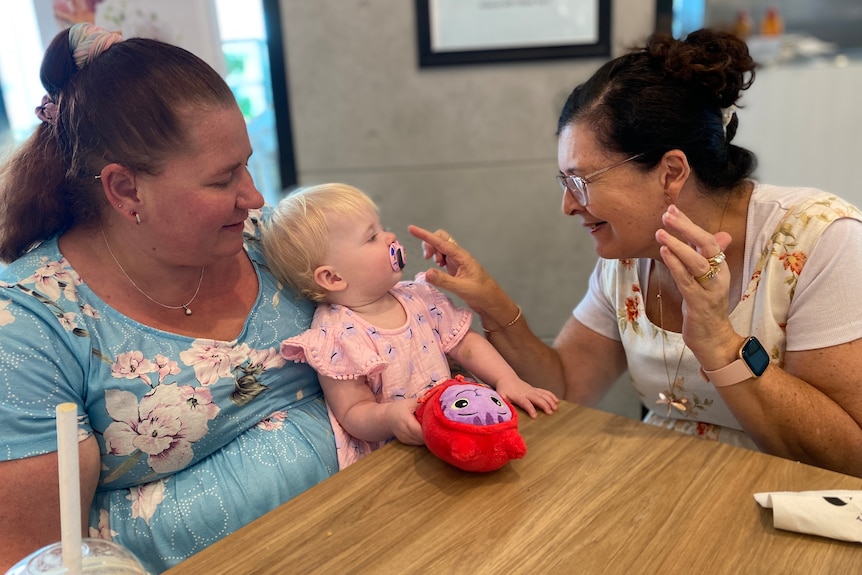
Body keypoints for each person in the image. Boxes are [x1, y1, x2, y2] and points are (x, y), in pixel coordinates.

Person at [410, 28, 862, 478]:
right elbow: (565, 386)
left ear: (670, 171)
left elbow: (847, 456)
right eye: (564, 183)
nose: (568, 205)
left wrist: (721, 344)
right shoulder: (632, 253)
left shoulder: (820, 239)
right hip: (659, 489)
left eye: (580, 181)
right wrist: (490, 299)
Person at [0, 24, 337, 574]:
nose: (253, 196)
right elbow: (34, 556)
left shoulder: (273, 245)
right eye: (223, 178)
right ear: (126, 189)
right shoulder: (29, 328)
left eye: (247, 164)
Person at [260, 183, 558, 469]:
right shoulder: (334, 337)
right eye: (372, 237)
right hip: (399, 457)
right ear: (333, 278)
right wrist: (389, 417)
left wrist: (507, 379)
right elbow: (352, 411)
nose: (390, 236)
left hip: (455, 429)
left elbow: (465, 344)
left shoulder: (418, 296)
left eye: (382, 227)